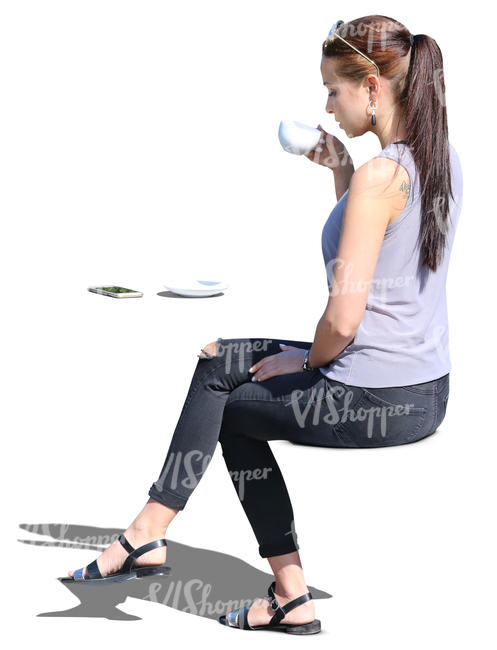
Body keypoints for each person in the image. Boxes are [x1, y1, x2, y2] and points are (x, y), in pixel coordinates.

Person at [62, 15, 463, 634]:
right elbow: (380, 252)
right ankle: (149, 532)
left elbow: (345, 314)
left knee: (231, 405)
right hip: (421, 387)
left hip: (376, 394)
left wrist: (305, 361)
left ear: (374, 85)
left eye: (334, 89)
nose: (327, 107)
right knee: (220, 358)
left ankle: (279, 589)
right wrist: (340, 171)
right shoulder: (436, 162)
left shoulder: (383, 176)